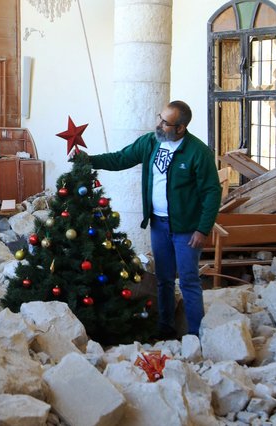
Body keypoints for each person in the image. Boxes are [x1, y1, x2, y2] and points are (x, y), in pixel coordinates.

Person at [87, 100, 222, 338]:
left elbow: (212, 192)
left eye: (165, 123)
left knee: (189, 280)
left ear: (180, 128)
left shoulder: (198, 152)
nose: (158, 125)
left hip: (186, 230)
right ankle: (165, 327)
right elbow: (120, 159)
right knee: (164, 279)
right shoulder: (151, 143)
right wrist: (88, 161)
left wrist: (202, 229)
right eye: (160, 118)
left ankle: (196, 334)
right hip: (159, 225)